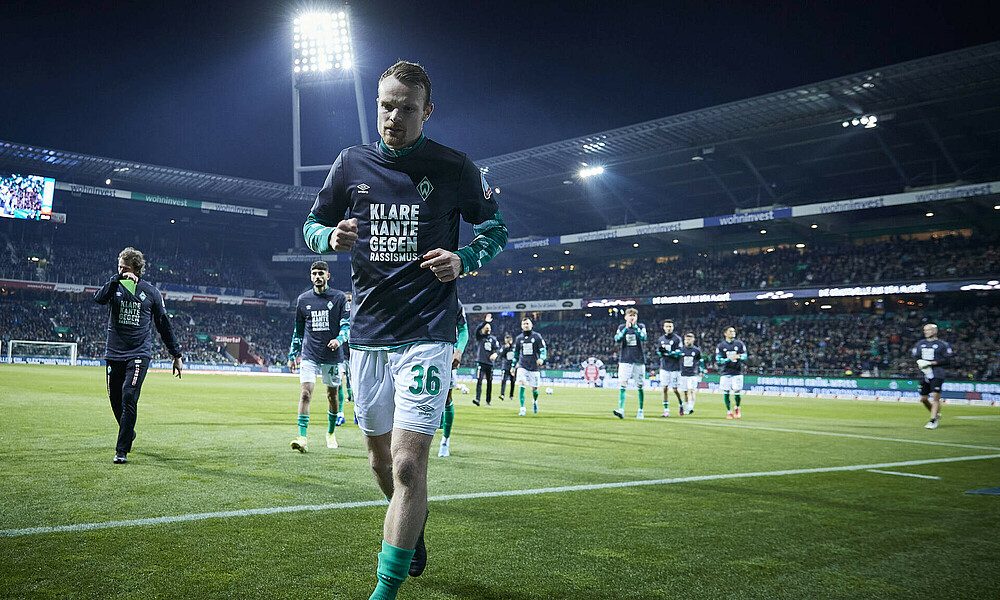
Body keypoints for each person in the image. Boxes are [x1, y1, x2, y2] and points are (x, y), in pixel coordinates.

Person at [302, 60, 507, 600]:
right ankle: (412, 531)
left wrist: (464, 258)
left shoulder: (453, 166)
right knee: (380, 464)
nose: (393, 117)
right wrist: (329, 238)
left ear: (427, 111)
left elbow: (496, 228)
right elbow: (311, 225)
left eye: (406, 108)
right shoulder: (350, 163)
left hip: (428, 331)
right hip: (368, 334)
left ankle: (384, 590)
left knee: (409, 465)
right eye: (386, 106)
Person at [94, 247, 183, 464]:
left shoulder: (151, 292)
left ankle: (121, 450)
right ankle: (129, 431)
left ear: (136, 269)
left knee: (128, 396)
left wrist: (176, 354)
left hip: (138, 354)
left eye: (125, 268)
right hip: (114, 353)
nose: (121, 271)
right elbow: (99, 299)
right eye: (119, 267)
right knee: (115, 399)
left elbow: (163, 325)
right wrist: (117, 279)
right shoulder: (114, 286)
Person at [287, 261, 350, 452]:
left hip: (332, 355)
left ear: (327, 276)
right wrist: (292, 355)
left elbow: (346, 325)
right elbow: (298, 331)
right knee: (305, 393)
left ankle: (330, 433)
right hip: (310, 355)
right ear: (310, 276)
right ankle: (302, 437)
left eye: (321, 273)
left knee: (332, 396)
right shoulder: (303, 300)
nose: (317, 276)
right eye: (314, 273)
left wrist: (339, 340)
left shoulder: (339, 298)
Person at [439, 300, 469, 457]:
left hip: (447, 354)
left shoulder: (455, 303)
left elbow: (464, 330)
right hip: (422, 352)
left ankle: (445, 441)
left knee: (447, 398)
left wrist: (459, 351)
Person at [911, 322, 954, 429]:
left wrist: (931, 363)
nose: (926, 332)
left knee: (935, 396)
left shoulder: (942, 344)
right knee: (923, 398)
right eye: (925, 330)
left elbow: (948, 360)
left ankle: (933, 420)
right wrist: (919, 362)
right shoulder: (920, 343)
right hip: (923, 373)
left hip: (937, 373)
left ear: (935, 331)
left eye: (928, 330)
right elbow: (915, 357)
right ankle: (936, 414)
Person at [613, 308, 648, 419]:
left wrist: (635, 327)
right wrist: (626, 329)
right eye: (630, 315)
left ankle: (640, 410)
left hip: (638, 361)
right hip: (625, 360)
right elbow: (617, 339)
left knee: (640, 385)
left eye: (634, 316)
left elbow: (643, 337)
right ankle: (621, 410)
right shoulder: (621, 327)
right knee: (623, 383)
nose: (632, 317)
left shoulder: (641, 326)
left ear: (637, 317)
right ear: (625, 317)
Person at [513, 317, 547, 415]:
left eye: (527, 323)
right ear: (521, 326)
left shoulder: (537, 337)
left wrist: (542, 358)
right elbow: (516, 354)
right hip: (522, 365)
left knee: (535, 389)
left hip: (534, 367)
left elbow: (543, 350)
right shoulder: (519, 338)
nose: (526, 325)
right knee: (521, 384)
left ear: (531, 325)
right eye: (524, 324)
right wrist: (513, 366)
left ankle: (535, 401)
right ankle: (522, 408)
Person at [716, 326, 748, 419]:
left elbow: (745, 356)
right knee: (726, 392)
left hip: (737, 372)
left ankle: (737, 408)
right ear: (725, 333)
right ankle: (729, 411)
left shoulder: (739, 344)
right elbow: (719, 360)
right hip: (726, 372)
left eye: (733, 331)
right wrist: (730, 359)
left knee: (737, 391)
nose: (733, 333)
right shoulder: (721, 346)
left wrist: (740, 357)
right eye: (730, 331)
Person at [656, 319, 684, 417]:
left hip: (675, 368)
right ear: (663, 328)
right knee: (664, 388)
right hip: (664, 367)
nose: (668, 328)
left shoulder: (677, 339)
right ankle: (666, 410)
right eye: (667, 326)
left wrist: (669, 353)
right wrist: (660, 352)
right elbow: (658, 351)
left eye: (670, 326)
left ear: (673, 327)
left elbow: (680, 352)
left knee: (675, 389)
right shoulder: (661, 339)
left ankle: (681, 404)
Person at [473, 313, 499, 406]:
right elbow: (477, 330)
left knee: (489, 383)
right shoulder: (480, 337)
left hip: (490, 364)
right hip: (481, 363)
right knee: (479, 381)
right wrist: (485, 322)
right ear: (483, 329)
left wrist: (495, 354)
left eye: (489, 328)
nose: (488, 329)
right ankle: (477, 399)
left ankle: (488, 401)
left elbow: (497, 349)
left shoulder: (493, 339)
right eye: (486, 327)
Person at [679, 332, 703, 414]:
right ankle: (685, 406)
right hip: (682, 374)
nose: (687, 341)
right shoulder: (681, 350)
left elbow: (700, 361)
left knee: (691, 390)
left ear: (693, 340)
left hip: (692, 374)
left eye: (689, 339)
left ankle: (690, 407)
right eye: (686, 339)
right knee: (685, 392)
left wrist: (702, 370)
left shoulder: (696, 350)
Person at [498, 332, 515, 401]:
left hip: (512, 367)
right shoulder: (503, 347)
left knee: (512, 381)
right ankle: (502, 394)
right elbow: (500, 355)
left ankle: (511, 395)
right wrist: (505, 348)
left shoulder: (514, 347)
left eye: (509, 339)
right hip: (505, 366)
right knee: (503, 380)